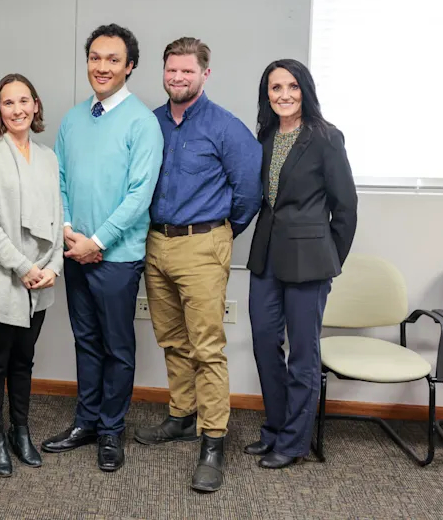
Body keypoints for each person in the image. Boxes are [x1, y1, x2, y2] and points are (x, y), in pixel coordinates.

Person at [135, 37, 262, 492]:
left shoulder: (226, 128)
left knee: (207, 347)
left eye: (187, 71)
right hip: (155, 243)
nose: (177, 78)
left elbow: (249, 192)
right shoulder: (150, 124)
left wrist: (221, 236)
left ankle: (213, 440)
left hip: (204, 244)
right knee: (172, 339)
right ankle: (181, 416)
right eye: (171, 70)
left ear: (205, 74)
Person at [42, 24, 164, 473]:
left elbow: (140, 194)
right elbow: (59, 181)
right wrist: (71, 232)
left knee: (117, 347)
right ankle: (86, 422)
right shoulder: (73, 119)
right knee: (86, 342)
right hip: (76, 252)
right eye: (95, 57)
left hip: (117, 258)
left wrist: (99, 242)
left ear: (130, 66)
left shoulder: (142, 122)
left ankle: (111, 430)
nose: (102, 66)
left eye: (113, 59)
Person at [245, 59, 357, 469]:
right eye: (275, 88)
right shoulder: (266, 137)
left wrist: (329, 259)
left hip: (309, 261)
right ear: (267, 95)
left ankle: (293, 443)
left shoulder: (326, 138)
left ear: (305, 90)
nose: (284, 95)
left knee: (304, 354)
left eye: (292, 86)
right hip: (267, 256)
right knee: (263, 342)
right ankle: (275, 428)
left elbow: (346, 207)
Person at [0, 74, 64, 477]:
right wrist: (22, 267)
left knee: (24, 361)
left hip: (40, 281)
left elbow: (58, 219)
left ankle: (20, 430)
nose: (18, 109)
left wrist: (53, 267)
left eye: (25, 101)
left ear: (36, 105)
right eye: (8, 103)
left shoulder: (48, 157)